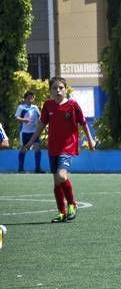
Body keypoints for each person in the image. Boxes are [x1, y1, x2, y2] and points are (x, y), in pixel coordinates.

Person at [21, 76, 96, 223]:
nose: (58, 90)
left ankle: (72, 204)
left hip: (68, 147)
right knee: (56, 182)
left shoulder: (73, 105)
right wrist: (30, 142)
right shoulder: (48, 105)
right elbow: (41, 125)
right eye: (54, 88)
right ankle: (61, 212)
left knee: (62, 176)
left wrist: (90, 139)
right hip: (53, 147)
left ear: (65, 89)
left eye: (61, 87)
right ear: (50, 91)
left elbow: (83, 123)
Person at [15, 91, 44, 173]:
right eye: (29, 98)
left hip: (34, 132)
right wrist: (24, 120)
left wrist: (40, 124)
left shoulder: (35, 107)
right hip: (24, 132)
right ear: (25, 99)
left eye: (32, 98)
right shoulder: (21, 107)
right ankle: (20, 169)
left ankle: (38, 168)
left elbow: (40, 117)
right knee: (23, 149)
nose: (30, 100)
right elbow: (16, 118)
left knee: (37, 148)